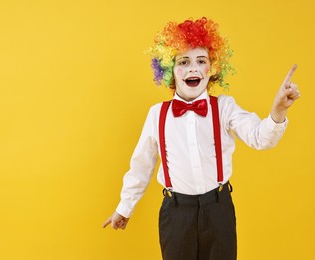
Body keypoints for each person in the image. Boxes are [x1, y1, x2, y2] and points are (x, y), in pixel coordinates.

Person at [103, 17, 300, 260]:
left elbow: (260, 138)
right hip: (176, 213)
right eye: (183, 62)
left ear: (212, 69)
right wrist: (124, 208)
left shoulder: (225, 107)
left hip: (218, 209)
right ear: (170, 72)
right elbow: (141, 166)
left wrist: (278, 110)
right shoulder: (157, 115)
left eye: (201, 61)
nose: (193, 68)